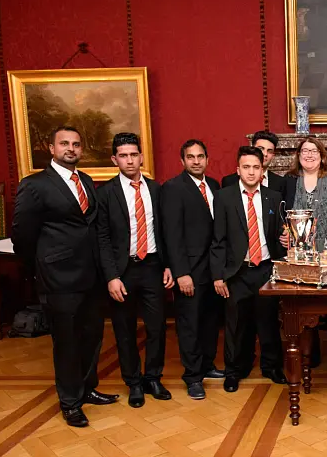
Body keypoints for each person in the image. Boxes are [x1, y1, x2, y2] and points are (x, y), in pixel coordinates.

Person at [11, 126, 115, 427]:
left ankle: (87, 389)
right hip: (59, 279)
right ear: (52, 149)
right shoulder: (35, 185)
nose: (71, 149)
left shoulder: (84, 180)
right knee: (67, 342)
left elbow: (90, 226)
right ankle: (70, 402)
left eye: (76, 144)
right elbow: (23, 235)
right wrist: (42, 267)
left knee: (92, 337)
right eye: (64, 144)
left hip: (90, 277)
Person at [97, 133, 174, 408]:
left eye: (134, 154)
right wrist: (111, 277)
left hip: (152, 265)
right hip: (123, 270)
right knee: (125, 329)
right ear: (114, 159)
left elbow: (163, 231)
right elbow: (102, 238)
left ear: (141, 157)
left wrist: (167, 265)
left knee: (157, 327)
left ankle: (153, 377)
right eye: (123, 155)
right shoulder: (105, 193)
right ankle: (134, 382)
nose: (129, 160)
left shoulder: (156, 189)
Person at [212, 146, 287, 391]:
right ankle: (234, 371)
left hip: (266, 270)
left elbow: (278, 236)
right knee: (236, 325)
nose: (251, 172)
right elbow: (218, 240)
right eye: (246, 167)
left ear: (262, 171)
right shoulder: (224, 197)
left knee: (268, 322)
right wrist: (218, 275)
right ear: (238, 170)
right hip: (237, 272)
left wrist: (285, 240)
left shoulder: (274, 197)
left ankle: (272, 367)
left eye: (256, 167)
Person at [283, 137, 327, 372]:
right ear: (299, 155)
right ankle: (308, 356)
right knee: (305, 306)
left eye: (314, 151)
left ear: (322, 155)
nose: (309, 154)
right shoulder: (290, 180)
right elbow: (282, 215)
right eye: (305, 150)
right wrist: (282, 236)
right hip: (300, 255)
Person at [161, 139, 224, 400]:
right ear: (182, 161)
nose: (196, 161)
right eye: (190, 157)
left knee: (210, 321)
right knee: (189, 324)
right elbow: (171, 234)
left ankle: (207, 365)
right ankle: (193, 376)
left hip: (213, 270)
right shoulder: (173, 188)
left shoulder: (214, 185)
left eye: (200, 156)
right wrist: (180, 272)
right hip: (189, 271)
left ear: (207, 159)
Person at [221, 131, 286, 200]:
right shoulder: (229, 181)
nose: (265, 154)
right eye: (261, 149)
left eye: (269, 151)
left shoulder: (281, 183)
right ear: (252, 148)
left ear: (273, 155)